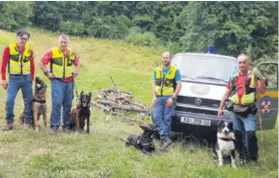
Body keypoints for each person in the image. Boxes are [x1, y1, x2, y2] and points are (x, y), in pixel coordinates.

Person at [218, 54, 267, 163]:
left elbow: (262, 90)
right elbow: (226, 93)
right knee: (237, 135)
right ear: (237, 65)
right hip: (236, 111)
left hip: (249, 111)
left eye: (244, 62)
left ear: (248, 64)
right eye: (240, 63)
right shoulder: (234, 78)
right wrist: (220, 108)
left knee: (250, 135)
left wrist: (260, 78)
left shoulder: (253, 76)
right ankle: (242, 157)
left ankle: (253, 158)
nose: (242, 65)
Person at [39, 34, 80, 134]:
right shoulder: (52, 52)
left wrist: (76, 72)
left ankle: (66, 125)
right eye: (61, 42)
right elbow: (41, 63)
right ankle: (54, 126)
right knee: (57, 103)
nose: (63, 44)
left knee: (68, 104)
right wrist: (47, 73)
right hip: (57, 81)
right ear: (58, 43)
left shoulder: (71, 53)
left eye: (65, 42)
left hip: (69, 81)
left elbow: (77, 63)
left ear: (68, 43)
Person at [1, 29, 35, 130]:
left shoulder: (29, 50)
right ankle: (9, 122)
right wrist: (3, 79)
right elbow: (3, 65)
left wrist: (31, 79)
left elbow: (32, 66)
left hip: (26, 79)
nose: (23, 41)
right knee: (9, 100)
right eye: (21, 38)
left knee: (28, 101)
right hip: (13, 79)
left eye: (26, 39)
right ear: (17, 37)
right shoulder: (9, 49)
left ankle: (28, 122)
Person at [152, 51, 182, 151]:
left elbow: (179, 85)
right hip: (159, 97)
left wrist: (173, 98)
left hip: (169, 97)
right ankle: (165, 139)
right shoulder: (157, 70)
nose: (165, 60)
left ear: (170, 59)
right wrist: (154, 96)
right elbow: (154, 84)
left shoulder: (175, 70)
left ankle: (163, 142)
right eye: (163, 58)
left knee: (167, 119)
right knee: (156, 117)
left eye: (167, 58)